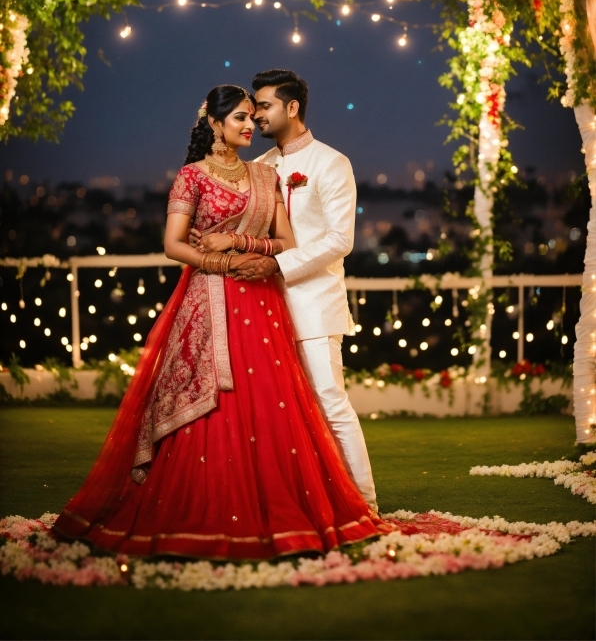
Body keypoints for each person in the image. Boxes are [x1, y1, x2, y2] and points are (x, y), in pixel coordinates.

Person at [53, 84, 388, 560]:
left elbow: (300, 242)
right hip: (213, 298)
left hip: (271, 301)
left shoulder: (283, 170)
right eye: (243, 117)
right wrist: (220, 264)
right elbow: (174, 244)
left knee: (298, 406)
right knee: (218, 403)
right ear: (215, 122)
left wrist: (237, 247)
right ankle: (212, 508)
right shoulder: (198, 175)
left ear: (290, 107)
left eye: (258, 113)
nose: (253, 123)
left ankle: (360, 504)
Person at [190, 69, 378, 511]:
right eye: (253, 107)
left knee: (330, 403)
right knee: (278, 416)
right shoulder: (261, 167)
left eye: (266, 105)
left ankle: (365, 504)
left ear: (293, 107)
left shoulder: (332, 163)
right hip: (261, 309)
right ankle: (302, 502)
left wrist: (275, 263)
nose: (257, 114)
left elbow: (339, 240)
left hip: (313, 305)